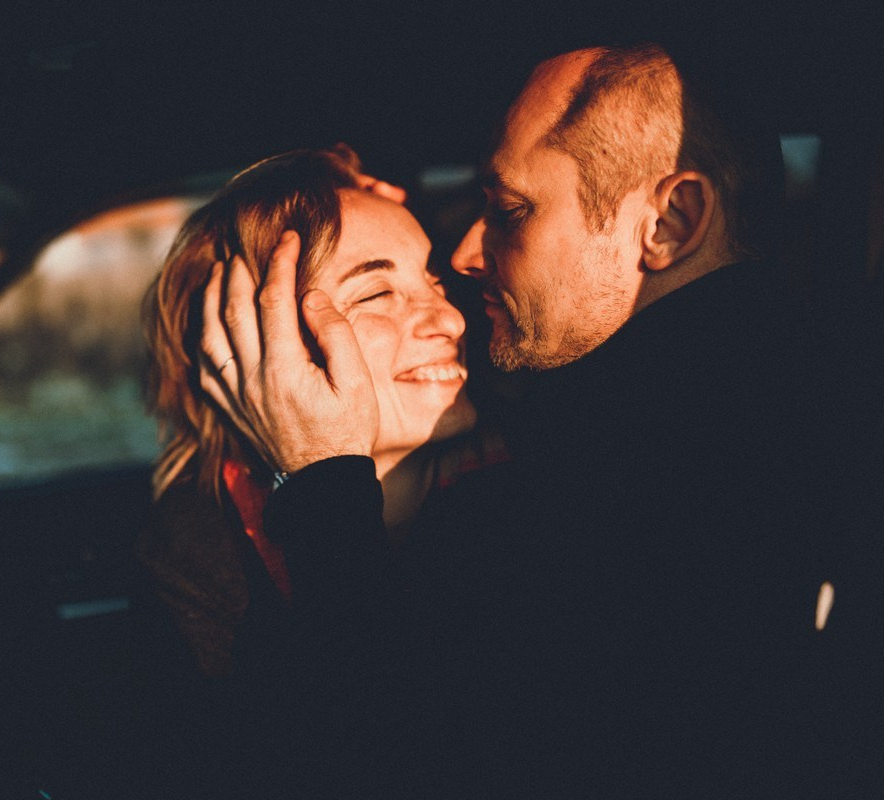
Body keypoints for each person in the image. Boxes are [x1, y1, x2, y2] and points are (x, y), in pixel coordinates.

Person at [201, 43, 884, 797]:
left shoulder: (624, 494)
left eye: (509, 210)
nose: (463, 259)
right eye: (376, 292)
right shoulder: (774, 412)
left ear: (669, 223)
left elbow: (387, 758)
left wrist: (322, 484)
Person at [133, 145, 500, 796]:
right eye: (379, 292)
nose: (448, 319)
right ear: (253, 345)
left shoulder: (529, 488)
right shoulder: (201, 554)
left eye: (434, 281)